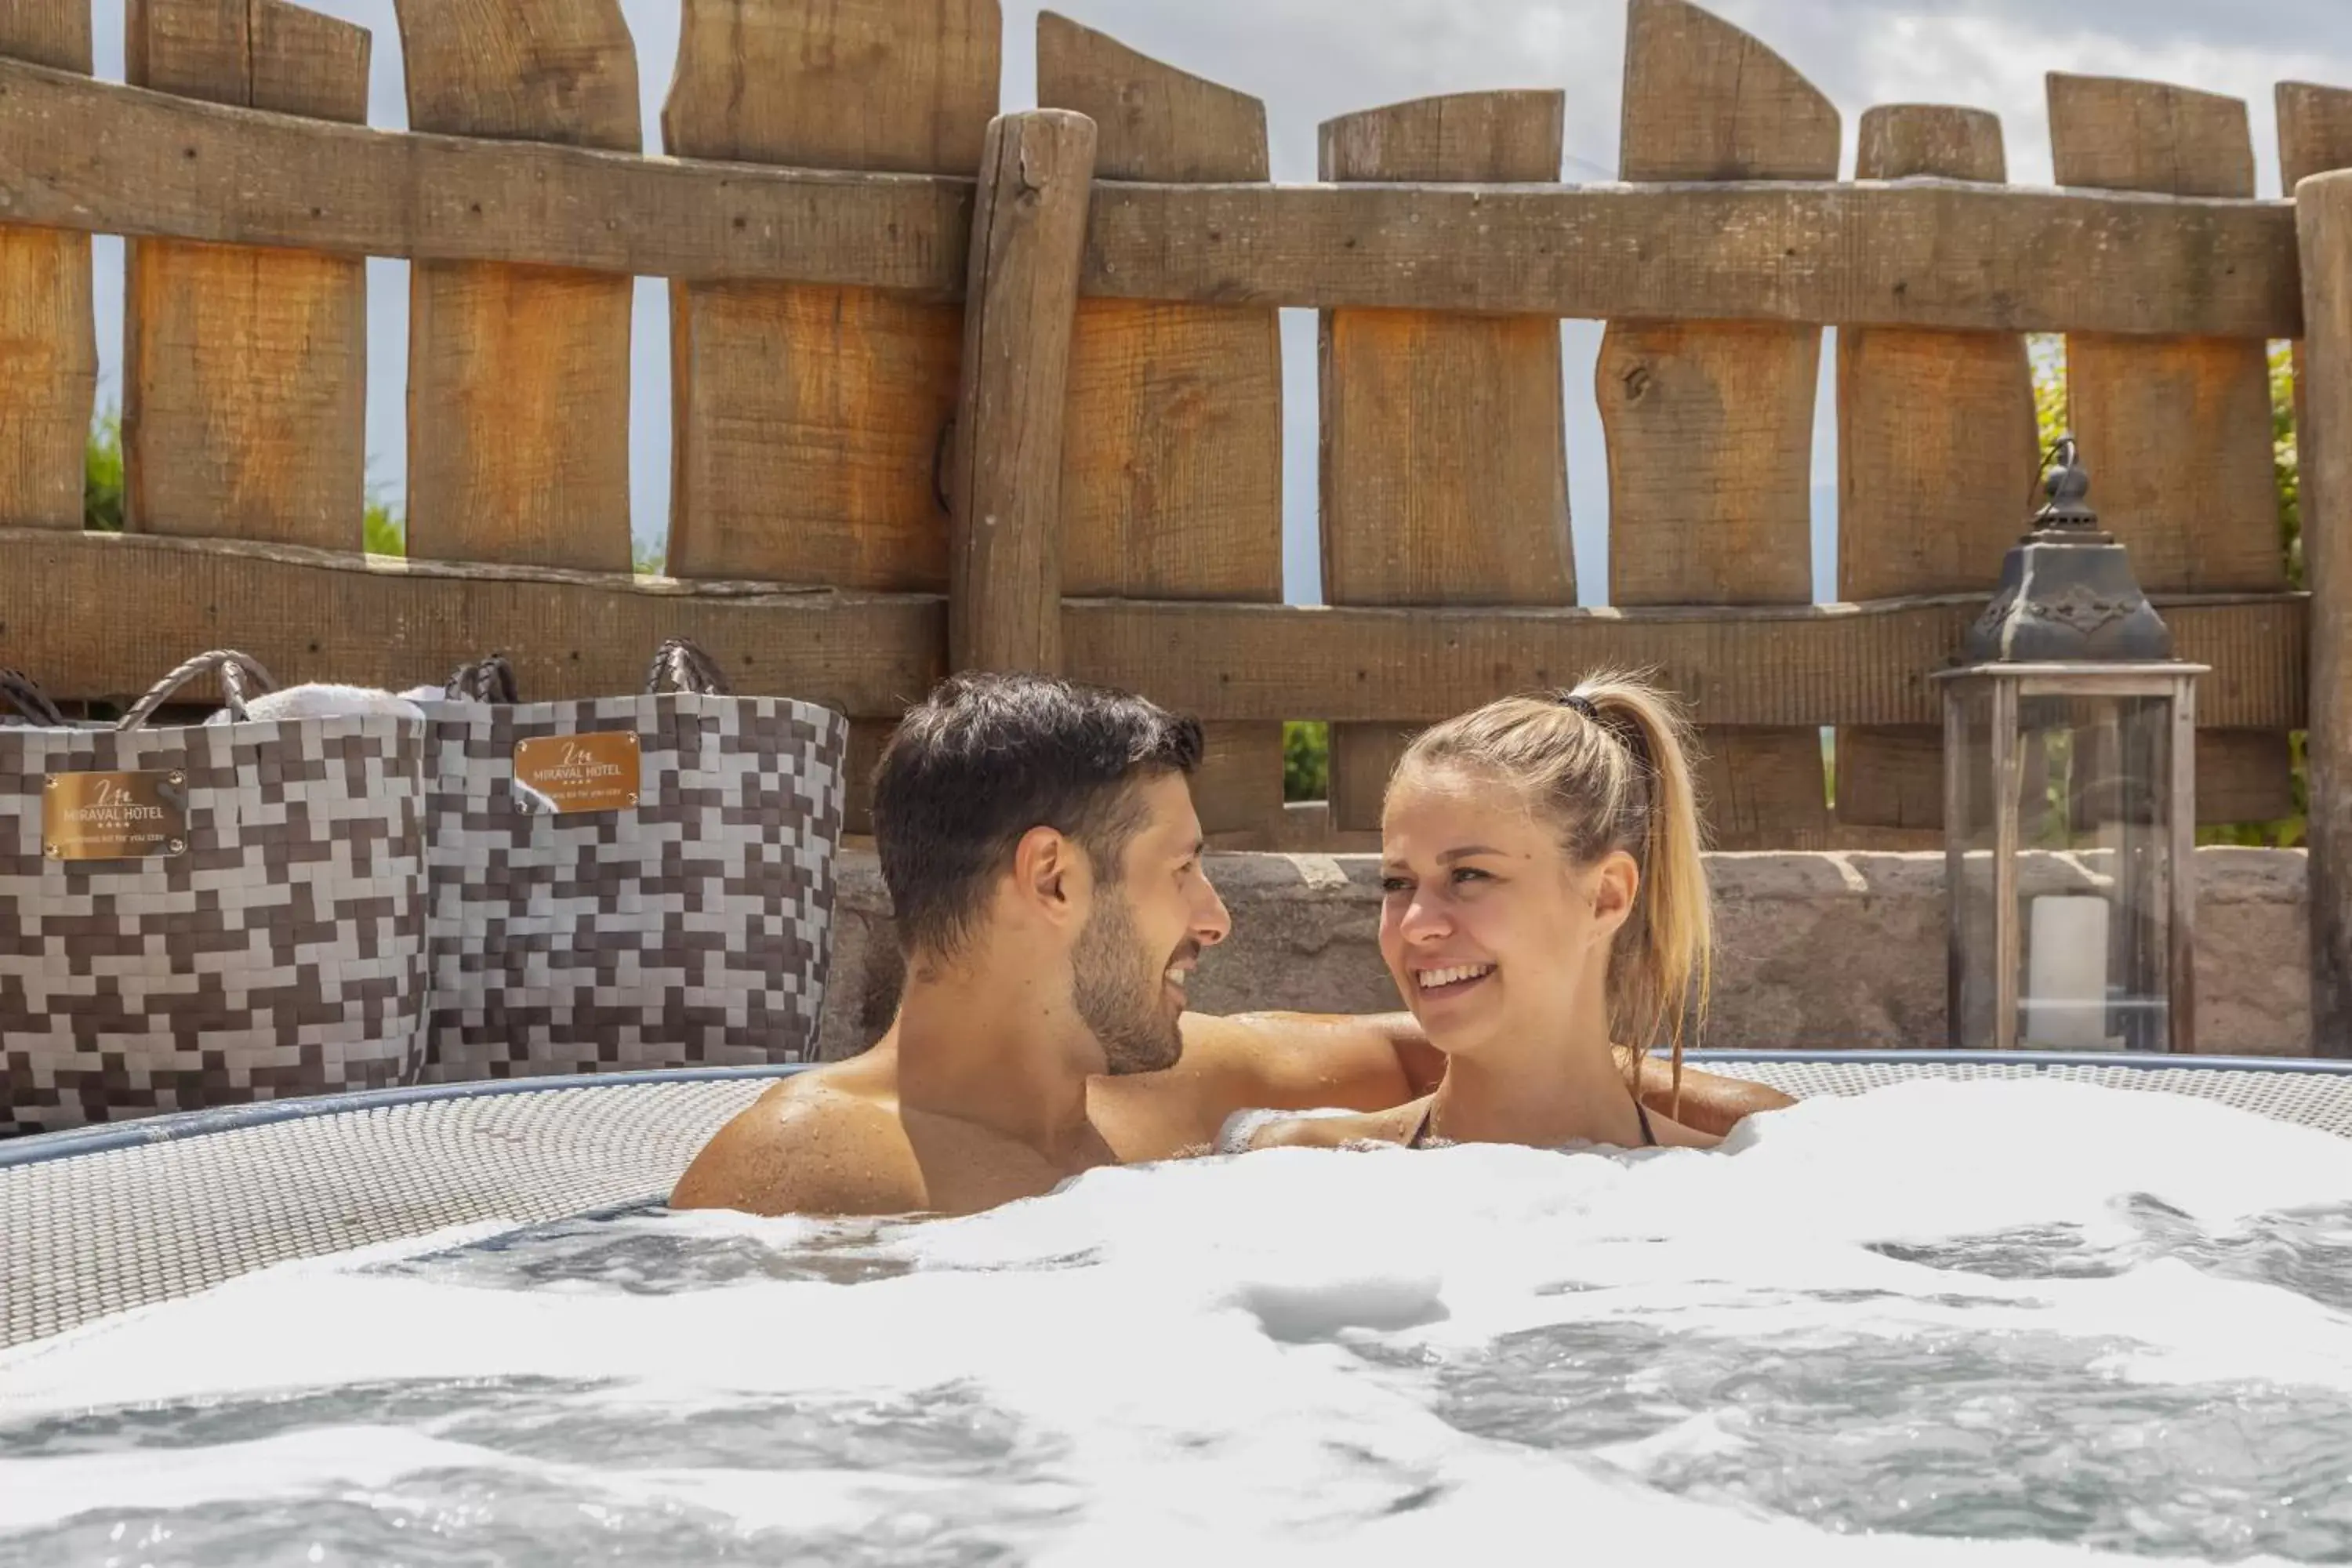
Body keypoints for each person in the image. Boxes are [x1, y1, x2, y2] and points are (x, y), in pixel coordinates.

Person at [669, 673, 1788, 1218]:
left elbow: (1425, 1048)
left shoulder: (1189, 1085)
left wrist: (1730, 1129)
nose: (1216, 918)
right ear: (1054, 879)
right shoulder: (801, 1171)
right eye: (1183, 869)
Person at [1236, 677, 1720, 1156]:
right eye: (1398, 884)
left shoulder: (1736, 1189)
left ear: (1606, 897)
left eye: (1469, 875)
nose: (1415, 923)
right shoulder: (1298, 1169)